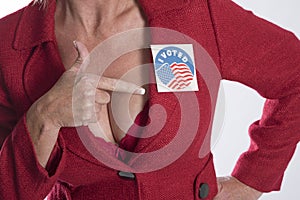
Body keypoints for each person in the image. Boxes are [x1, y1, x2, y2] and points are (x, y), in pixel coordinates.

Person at [0, 0, 299, 199]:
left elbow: (294, 76)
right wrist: (43, 118)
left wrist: (253, 179)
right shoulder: (8, 43)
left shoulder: (196, 13)